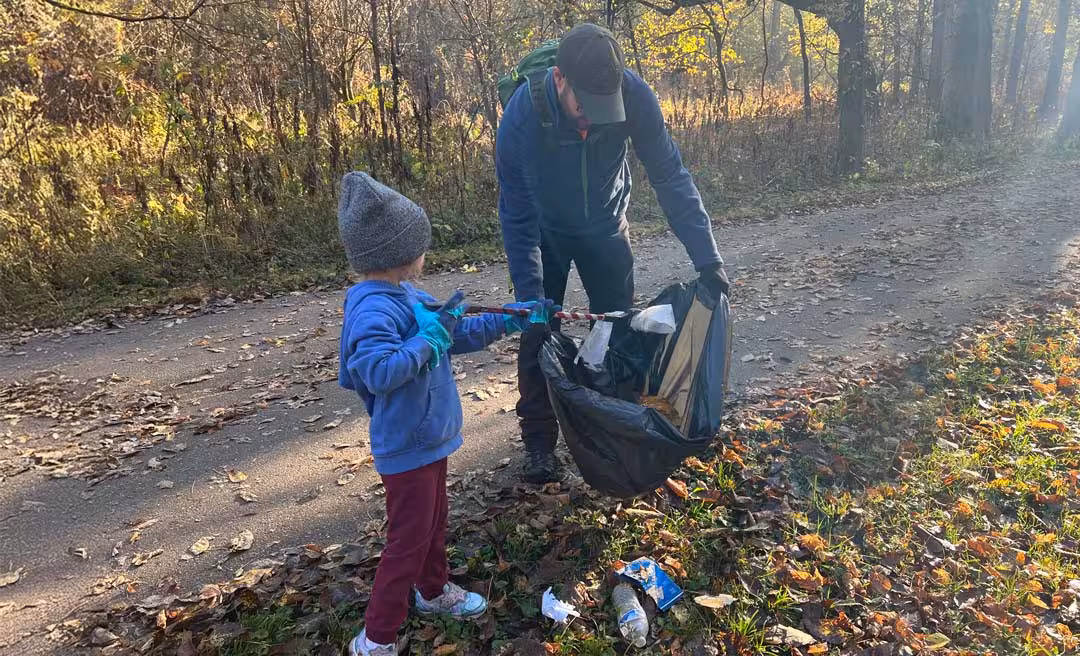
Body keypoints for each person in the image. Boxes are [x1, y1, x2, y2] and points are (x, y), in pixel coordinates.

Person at [496, 23, 731, 484]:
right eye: (584, 108)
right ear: (560, 79)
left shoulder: (634, 97)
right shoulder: (523, 116)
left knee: (620, 328)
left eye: (602, 111)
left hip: (606, 224)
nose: (590, 123)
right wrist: (531, 294)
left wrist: (709, 259)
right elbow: (517, 217)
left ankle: (618, 428)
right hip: (546, 229)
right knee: (537, 333)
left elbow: (670, 176)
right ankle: (540, 443)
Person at [336, 172, 552, 656]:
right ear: (398, 252)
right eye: (421, 244)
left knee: (433, 523)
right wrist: (429, 338)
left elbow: (459, 333)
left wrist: (515, 317)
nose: (425, 253)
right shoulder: (374, 309)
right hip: (406, 445)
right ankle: (375, 638)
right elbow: (377, 370)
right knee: (406, 540)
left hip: (428, 437)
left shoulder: (407, 295)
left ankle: (432, 592)